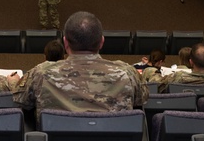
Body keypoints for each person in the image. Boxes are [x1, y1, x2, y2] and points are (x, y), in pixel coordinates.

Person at [17, 11, 146, 118]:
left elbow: (22, 100)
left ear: (65, 43)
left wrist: (13, 82)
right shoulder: (127, 72)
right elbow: (142, 99)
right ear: (101, 42)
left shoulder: (41, 73)